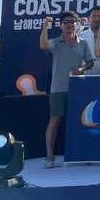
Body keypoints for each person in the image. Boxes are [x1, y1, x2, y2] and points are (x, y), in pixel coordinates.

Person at [39, 10, 94, 168]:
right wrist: (45, 26)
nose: (69, 24)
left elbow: (90, 62)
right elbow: (43, 46)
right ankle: (50, 157)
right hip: (58, 88)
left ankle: (78, 154)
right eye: (66, 22)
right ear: (61, 25)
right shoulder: (55, 42)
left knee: (79, 122)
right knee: (55, 120)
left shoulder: (83, 43)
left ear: (76, 25)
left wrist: (82, 69)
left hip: (77, 89)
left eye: (72, 22)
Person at [78, 5, 100, 75]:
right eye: (94, 16)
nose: (96, 19)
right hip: (84, 76)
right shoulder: (81, 36)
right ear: (89, 18)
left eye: (99, 16)